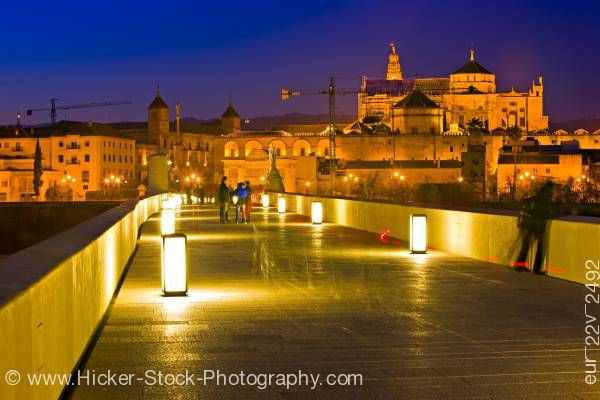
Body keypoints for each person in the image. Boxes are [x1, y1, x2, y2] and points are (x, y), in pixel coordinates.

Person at [515, 183, 554, 274]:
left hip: (528, 225)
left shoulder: (533, 199)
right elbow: (544, 213)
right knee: (540, 248)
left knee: (525, 246)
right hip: (537, 225)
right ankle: (536, 269)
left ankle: (519, 266)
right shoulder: (544, 201)